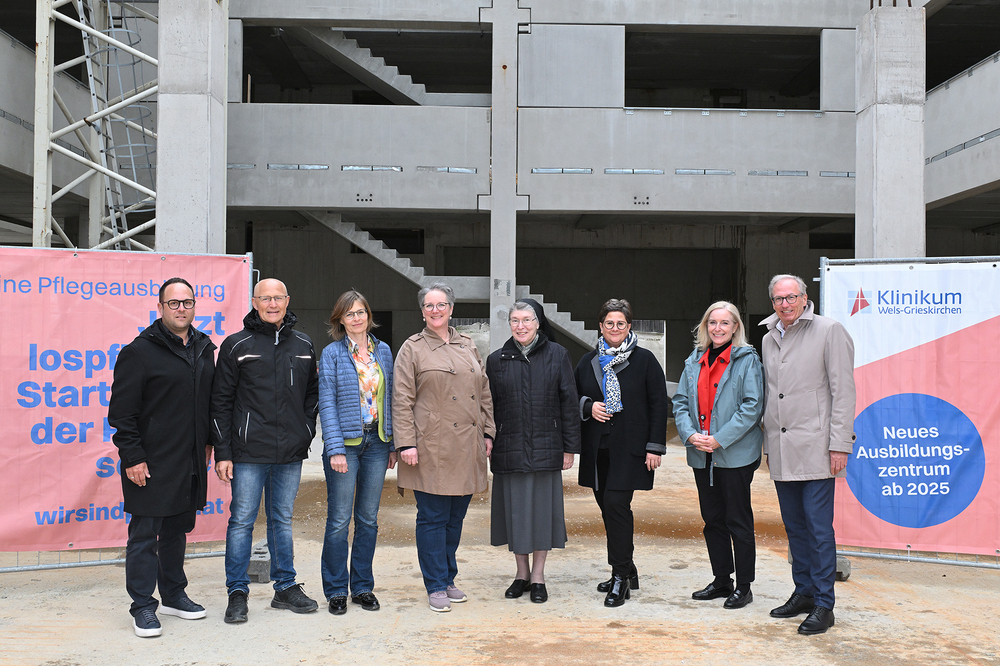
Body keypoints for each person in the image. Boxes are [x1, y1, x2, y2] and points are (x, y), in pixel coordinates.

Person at [108, 277, 216, 638]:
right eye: (174, 303)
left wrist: (209, 442)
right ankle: (142, 606)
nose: (181, 308)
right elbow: (121, 415)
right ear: (160, 308)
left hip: (189, 461)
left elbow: (207, 403)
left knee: (176, 531)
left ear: (194, 306)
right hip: (150, 463)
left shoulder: (204, 347)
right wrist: (133, 457)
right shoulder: (138, 352)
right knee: (144, 536)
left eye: (187, 302)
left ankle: (173, 594)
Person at [211, 278, 320, 624]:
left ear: (287, 300)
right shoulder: (235, 345)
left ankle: (285, 587)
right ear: (254, 302)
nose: (272, 304)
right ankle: (237, 593)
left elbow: (312, 396)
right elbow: (220, 402)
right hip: (247, 452)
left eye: (278, 298)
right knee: (242, 521)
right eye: (265, 298)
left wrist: (305, 431)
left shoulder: (303, 344)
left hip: (289, 451)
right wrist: (223, 452)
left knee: (281, 520)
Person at [760, 274, 856, 635]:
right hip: (783, 449)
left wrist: (840, 443)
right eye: (778, 299)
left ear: (804, 298)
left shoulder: (829, 331)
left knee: (818, 528)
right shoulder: (769, 336)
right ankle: (803, 592)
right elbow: (773, 395)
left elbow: (843, 391)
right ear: (772, 303)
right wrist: (770, 444)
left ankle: (824, 604)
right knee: (794, 527)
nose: (785, 304)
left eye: (791, 297)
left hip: (817, 447)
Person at [392, 282, 496, 613]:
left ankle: (448, 578)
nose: (435, 311)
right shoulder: (413, 348)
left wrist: (488, 431)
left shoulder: (468, 345)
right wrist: (405, 442)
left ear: (451, 309)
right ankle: (435, 583)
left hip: (467, 443)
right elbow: (402, 398)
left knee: (455, 517)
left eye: (441, 305)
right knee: (433, 517)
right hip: (429, 445)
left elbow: (483, 391)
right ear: (422, 311)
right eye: (429, 306)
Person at [575, 298, 669, 607]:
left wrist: (655, 446)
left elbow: (659, 405)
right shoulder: (587, 361)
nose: (615, 328)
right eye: (609, 323)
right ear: (600, 326)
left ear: (629, 327)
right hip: (597, 450)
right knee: (608, 509)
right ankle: (628, 569)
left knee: (616, 505)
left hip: (629, 449)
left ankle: (620, 577)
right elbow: (572, 397)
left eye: (621, 324)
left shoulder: (644, 360)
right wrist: (589, 406)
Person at [485, 301, 580, 604]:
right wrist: (488, 437)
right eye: (515, 320)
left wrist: (569, 447)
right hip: (509, 449)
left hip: (546, 448)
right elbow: (488, 407)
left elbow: (569, 402)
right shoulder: (496, 360)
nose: (521, 326)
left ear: (538, 323)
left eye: (527, 320)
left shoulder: (557, 355)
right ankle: (521, 573)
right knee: (515, 515)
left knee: (541, 516)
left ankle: (538, 576)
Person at [673, 301, 763, 610]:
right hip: (702, 453)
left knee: (738, 520)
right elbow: (681, 401)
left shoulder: (747, 361)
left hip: (733, 454)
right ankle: (722, 578)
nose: (718, 328)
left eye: (725, 323)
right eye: (713, 322)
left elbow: (752, 405)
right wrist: (690, 434)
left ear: (736, 327)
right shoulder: (693, 361)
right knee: (712, 519)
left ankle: (745, 586)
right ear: (705, 326)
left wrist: (720, 439)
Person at [317, 291, 396, 616]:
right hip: (345, 448)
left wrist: (391, 443)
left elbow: (391, 399)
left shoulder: (384, 351)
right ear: (340, 320)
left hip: (377, 444)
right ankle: (336, 590)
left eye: (361, 312)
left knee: (368, 519)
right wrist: (334, 448)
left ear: (368, 315)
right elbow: (327, 403)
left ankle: (362, 587)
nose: (357, 318)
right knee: (338, 520)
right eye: (349, 314)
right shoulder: (332, 354)